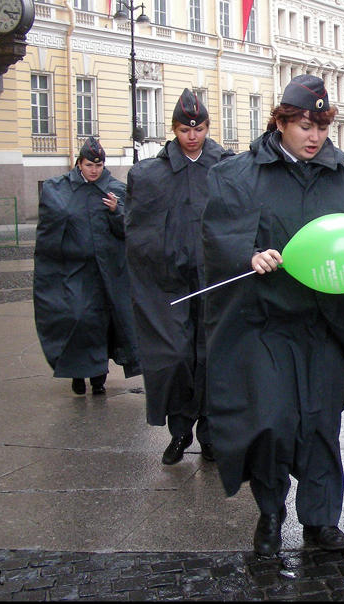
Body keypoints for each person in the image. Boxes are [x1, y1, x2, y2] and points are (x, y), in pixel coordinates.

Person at [200, 75, 344, 557]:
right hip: (264, 325)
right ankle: (270, 512)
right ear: (281, 122)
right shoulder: (239, 175)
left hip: (325, 326)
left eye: (321, 126)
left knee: (319, 422)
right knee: (270, 421)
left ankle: (321, 519)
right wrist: (248, 254)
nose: (313, 136)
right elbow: (216, 235)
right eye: (303, 125)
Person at [125, 88, 234, 466]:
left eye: (199, 128)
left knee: (211, 356)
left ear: (206, 128)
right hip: (168, 282)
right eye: (185, 129)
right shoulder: (150, 173)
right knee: (173, 356)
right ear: (174, 130)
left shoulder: (225, 167)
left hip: (214, 279)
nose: (193, 136)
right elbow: (137, 230)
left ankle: (209, 434)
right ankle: (179, 430)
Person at [33, 137, 141, 395]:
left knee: (103, 325)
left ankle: (98, 375)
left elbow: (130, 230)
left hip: (107, 274)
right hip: (74, 273)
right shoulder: (59, 190)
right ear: (78, 163)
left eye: (99, 165)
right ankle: (77, 373)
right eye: (89, 165)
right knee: (78, 320)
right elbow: (49, 234)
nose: (94, 170)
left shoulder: (116, 189)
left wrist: (117, 211)